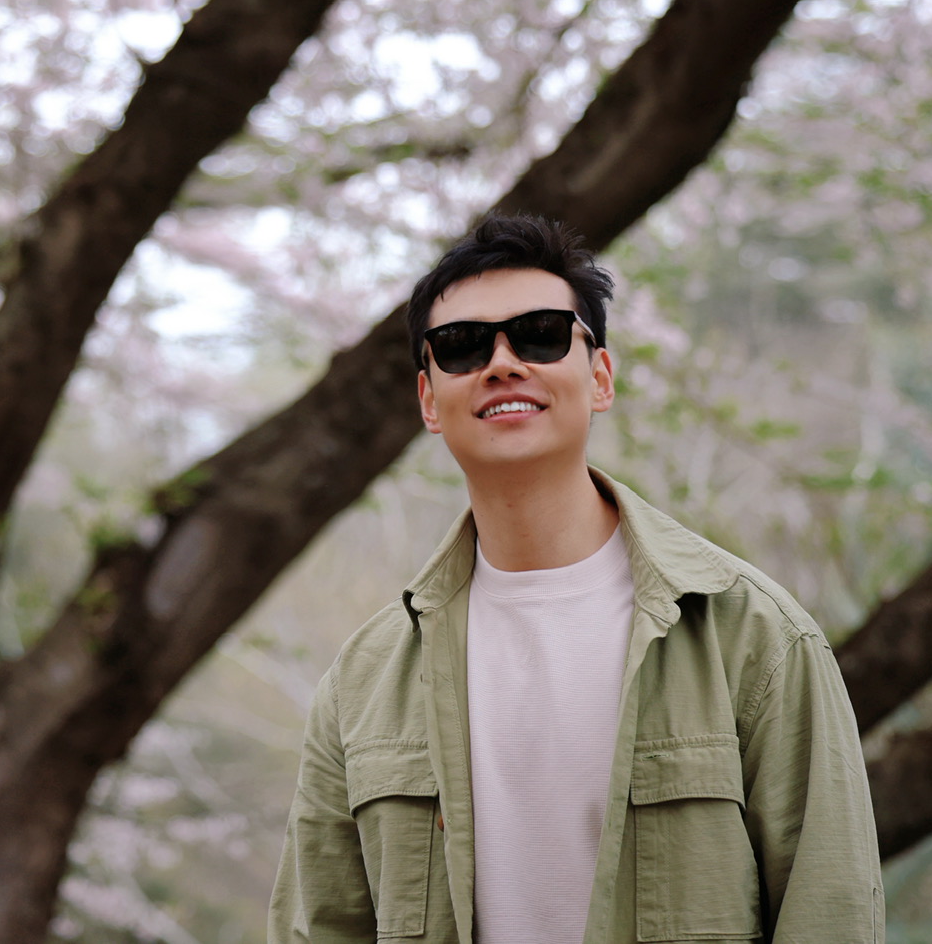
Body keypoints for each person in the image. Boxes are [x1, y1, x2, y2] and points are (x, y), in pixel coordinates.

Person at [269, 213, 882, 944]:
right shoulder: (362, 684)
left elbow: (831, 912)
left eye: (540, 334)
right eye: (462, 345)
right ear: (429, 400)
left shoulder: (755, 638)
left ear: (599, 378)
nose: (502, 363)